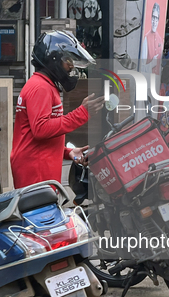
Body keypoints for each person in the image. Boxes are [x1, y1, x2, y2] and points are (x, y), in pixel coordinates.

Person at [10, 30, 104, 189]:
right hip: (36, 170)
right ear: (54, 59)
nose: (71, 66)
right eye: (68, 60)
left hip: (38, 166)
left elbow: (42, 135)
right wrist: (82, 113)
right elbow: (41, 129)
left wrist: (68, 152)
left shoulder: (45, 85)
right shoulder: (40, 87)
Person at [140, 2, 163, 75]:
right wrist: (152, 63)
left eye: (156, 18)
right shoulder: (146, 38)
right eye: (153, 17)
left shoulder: (160, 39)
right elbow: (142, 66)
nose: (154, 22)